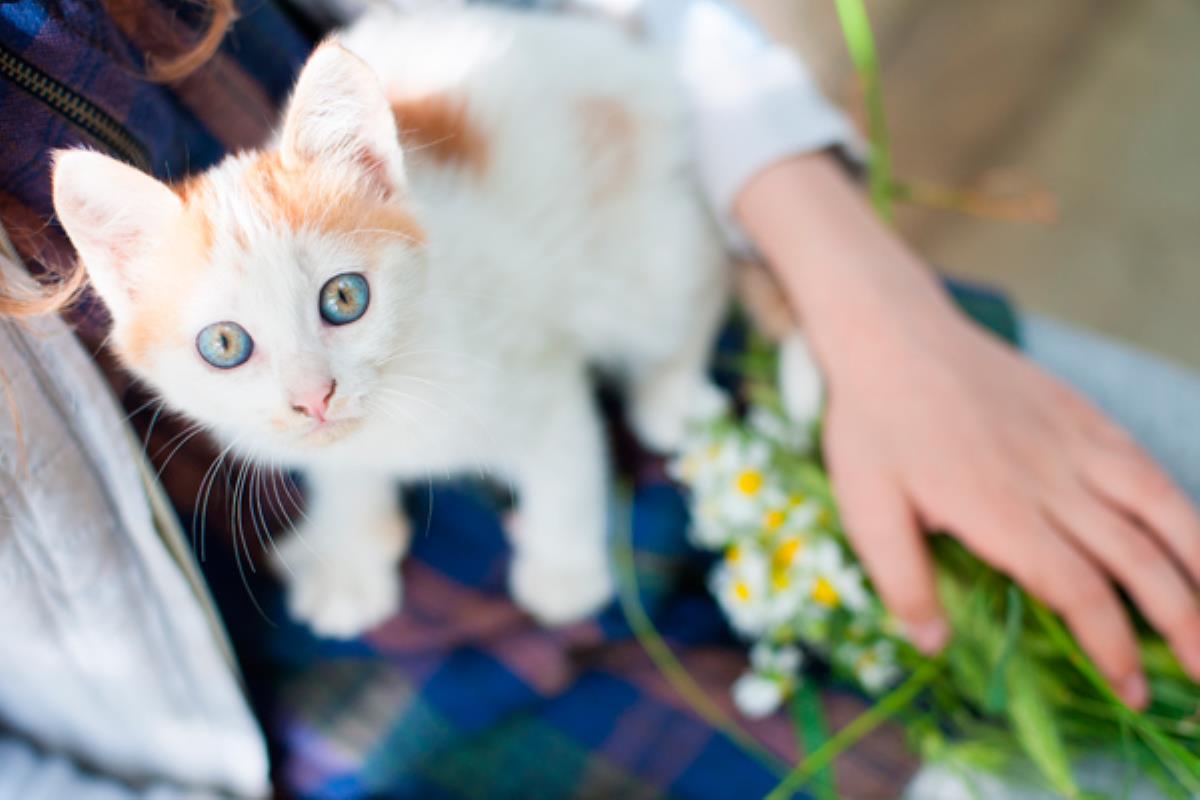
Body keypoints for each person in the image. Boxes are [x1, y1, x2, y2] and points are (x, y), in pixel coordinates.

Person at [1, 0, 1197, 796]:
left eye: (329, 316)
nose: (302, 394)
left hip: (706, 308)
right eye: (227, 347)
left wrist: (868, 300)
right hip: (279, 704)